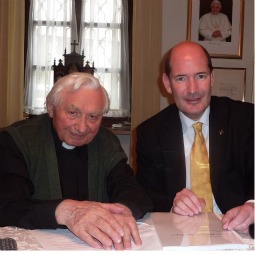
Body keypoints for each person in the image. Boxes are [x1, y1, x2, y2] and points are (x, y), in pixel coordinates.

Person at [0, 72, 152, 250]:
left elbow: (131, 190)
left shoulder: (106, 141)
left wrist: (123, 210)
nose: (81, 127)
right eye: (73, 113)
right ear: (51, 108)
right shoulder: (16, 140)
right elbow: (8, 206)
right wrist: (66, 211)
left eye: (93, 117)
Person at [135, 41, 254, 234]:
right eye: (181, 78)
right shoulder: (150, 133)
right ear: (167, 83)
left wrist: (252, 205)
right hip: (180, 235)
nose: (193, 89)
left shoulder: (246, 119)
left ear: (212, 77)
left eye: (200, 76)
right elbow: (144, 193)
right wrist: (173, 204)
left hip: (238, 232)